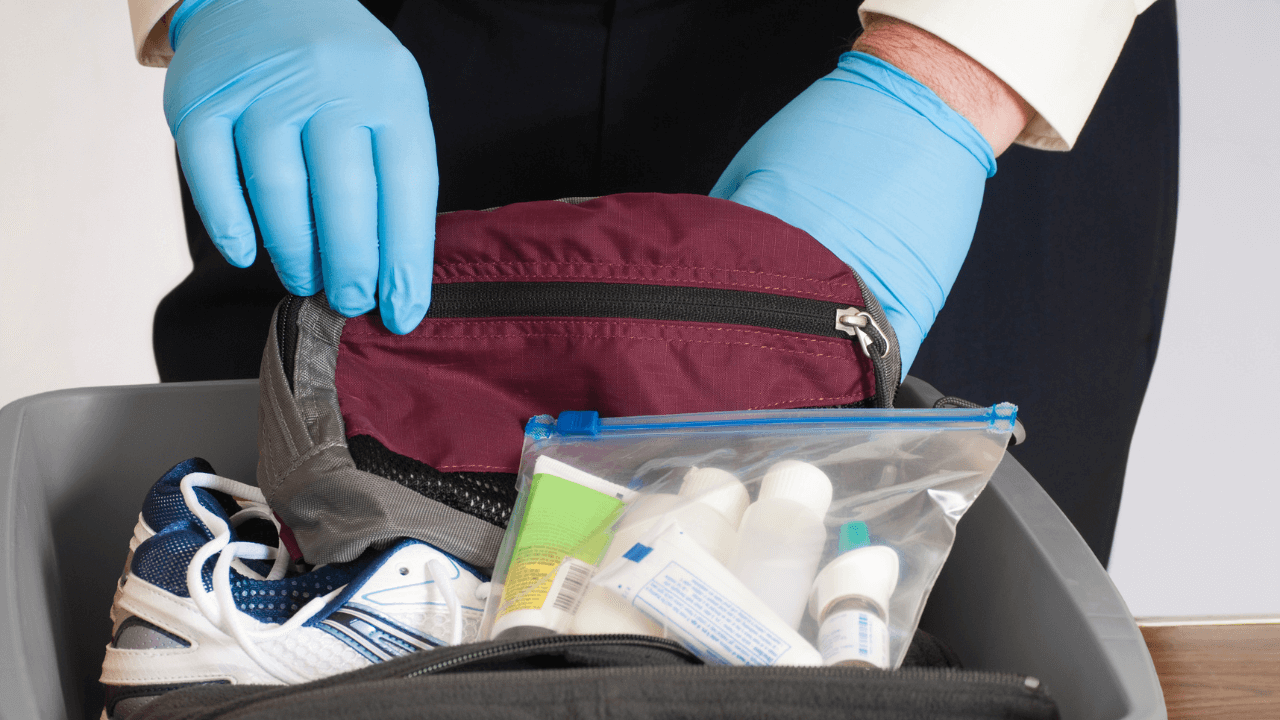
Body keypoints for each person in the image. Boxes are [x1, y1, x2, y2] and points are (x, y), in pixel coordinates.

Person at [125, 0, 1178, 565]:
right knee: (301, 586)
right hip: (381, 46)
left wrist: (951, 80)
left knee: (899, 604)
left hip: (918, 75)